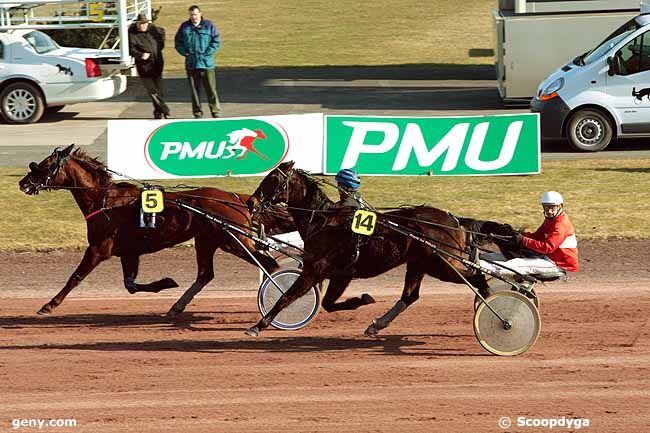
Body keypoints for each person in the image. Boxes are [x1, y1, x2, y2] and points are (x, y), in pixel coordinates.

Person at [480, 191, 579, 277]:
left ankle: (479, 265)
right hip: (546, 257)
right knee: (490, 257)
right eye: (546, 207)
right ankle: (480, 260)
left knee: (514, 265)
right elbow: (537, 236)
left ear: (560, 206)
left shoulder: (561, 224)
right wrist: (517, 234)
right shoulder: (551, 220)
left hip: (557, 263)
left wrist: (523, 240)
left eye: (552, 207)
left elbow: (547, 247)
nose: (549, 211)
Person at [174, 5, 222, 119]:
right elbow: (178, 42)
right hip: (191, 63)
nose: (193, 17)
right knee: (194, 91)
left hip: (206, 63)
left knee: (211, 89)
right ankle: (197, 113)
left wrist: (207, 53)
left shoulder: (209, 26)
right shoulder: (184, 27)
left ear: (200, 14)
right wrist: (185, 53)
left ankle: (215, 111)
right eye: (191, 15)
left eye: (195, 14)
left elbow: (216, 41)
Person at [128, 13, 170, 119]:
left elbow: (161, 38)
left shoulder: (153, 29)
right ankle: (165, 110)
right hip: (144, 67)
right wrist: (141, 55)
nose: (143, 26)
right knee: (152, 90)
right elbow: (131, 49)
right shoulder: (132, 34)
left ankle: (158, 112)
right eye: (140, 24)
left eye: (144, 23)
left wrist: (158, 50)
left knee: (159, 90)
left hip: (157, 64)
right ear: (137, 24)